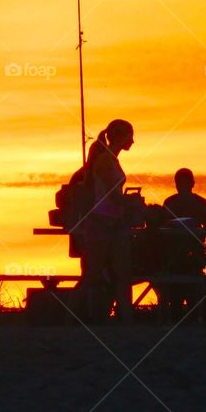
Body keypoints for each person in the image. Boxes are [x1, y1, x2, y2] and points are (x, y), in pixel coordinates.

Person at [78, 119, 135, 324]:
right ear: (120, 137)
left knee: (123, 273)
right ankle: (70, 317)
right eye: (130, 136)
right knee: (91, 274)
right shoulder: (105, 160)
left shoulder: (113, 159)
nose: (133, 141)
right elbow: (112, 195)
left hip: (115, 223)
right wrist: (134, 203)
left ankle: (126, 318)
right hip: (102, 224)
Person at [159, 169, 206, 318]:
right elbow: (161, 230)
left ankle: (188, 309)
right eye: (180, 184)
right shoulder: (170, 203)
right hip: (174, 256)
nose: (182, 187)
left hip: (193, 255)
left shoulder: (200, 203)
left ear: (192, 184)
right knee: (177, 282)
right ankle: (181, 310)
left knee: (187, 279)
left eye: (184, 183)